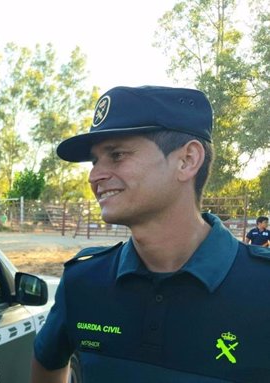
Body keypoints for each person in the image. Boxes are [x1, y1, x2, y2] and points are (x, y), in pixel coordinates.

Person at [32, 86, 270, 382]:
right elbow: (47, 363)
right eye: (95, 162)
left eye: (117, 155)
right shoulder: (83, 280)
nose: (95, 176)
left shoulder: (263, 286)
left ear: (187, 160)